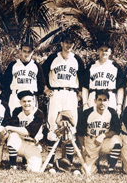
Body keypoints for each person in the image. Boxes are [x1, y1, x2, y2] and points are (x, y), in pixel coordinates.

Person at [42, 34, 85, 168]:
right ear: (61, 43)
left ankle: (68, 161)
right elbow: (41, 72)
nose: (68, 45)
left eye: (71, 42)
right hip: (56, 92)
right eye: (66, 42)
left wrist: (80, 94)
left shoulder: (77, 59)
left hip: (71, 93)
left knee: (71, 125)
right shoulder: (53, 58)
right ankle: (50, 161)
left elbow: (83, 77)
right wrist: (45, 89)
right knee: (53, 125)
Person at [77, 90, 121, 174]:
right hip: (91, 141)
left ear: (108, 101)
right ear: (95, 101)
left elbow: (116, 130)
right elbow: (80, 132)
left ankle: (111, 168)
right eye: (100, 99)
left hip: (105, 140)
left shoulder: (112, 112)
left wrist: (103, 135)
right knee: (87, 171)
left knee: (117, 141)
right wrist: (83, 148)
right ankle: (95, 164)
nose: (102, 102)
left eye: (105, 100)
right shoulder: (87, 112)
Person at [5, 91, 44, 172]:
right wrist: (12, 129)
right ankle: (13, 165)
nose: (27, 104)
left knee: (34, 170)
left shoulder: (38, 113)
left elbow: (28, 132)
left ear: (33, 101)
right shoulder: (17, 111)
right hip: (20, 143)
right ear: (20, 102)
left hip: (32, 144)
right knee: (13, 136)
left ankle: (26, 163)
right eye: (24, 101)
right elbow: (14, 129)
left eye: (29, 101)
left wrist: (9, 127)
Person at [82, 42, 124, 115]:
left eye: (106, 50)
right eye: (101, 50)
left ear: (110, 52)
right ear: (98, 51)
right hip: (93, 97)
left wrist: (119, 105)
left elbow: (120, 87)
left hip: (110, 97)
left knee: (110, 121)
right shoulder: (91, 66)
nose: (104, 52)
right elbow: (85, 86)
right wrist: (85, 103)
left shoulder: (115, 66)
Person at [3, 43, 44, 115]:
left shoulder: (36, 66)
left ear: (32, 52)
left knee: (30, 120)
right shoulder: (13, 65)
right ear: (20, 51)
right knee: (14, 120)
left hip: (30, 97)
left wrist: (36, 94)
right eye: (24, 51)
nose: (27, 54)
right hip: (15, 96)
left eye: (29, 52)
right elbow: (5, 82)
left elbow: (41, 83)